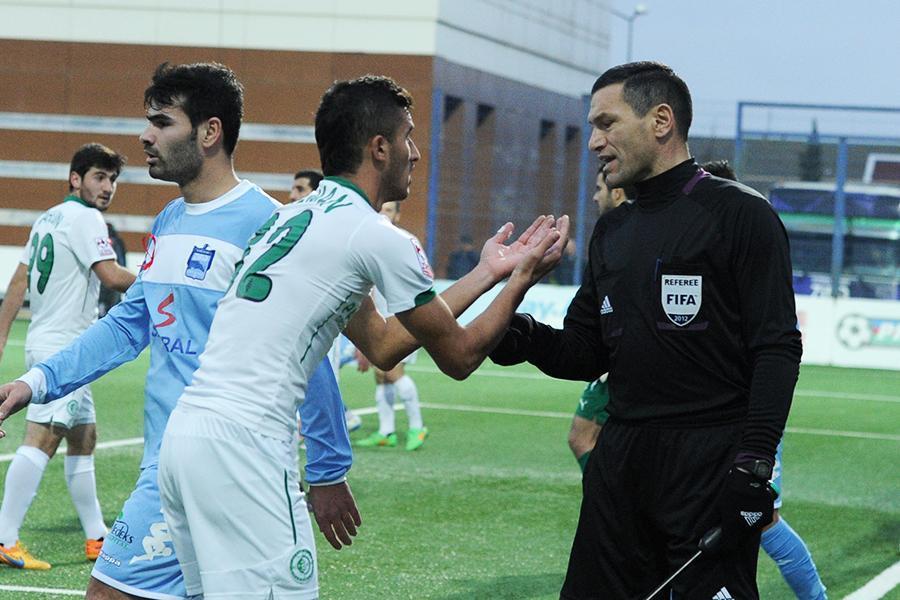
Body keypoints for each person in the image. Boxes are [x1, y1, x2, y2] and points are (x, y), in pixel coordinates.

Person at [147, 74, 567, 599]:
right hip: (246, 449)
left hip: (186, 440)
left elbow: (384, 344)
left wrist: (487, 273)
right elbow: (459, 356)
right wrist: (521, 280)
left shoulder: (295, 215)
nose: (416, 153)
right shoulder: (376, 235)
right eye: (409, 137)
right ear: (379, 148)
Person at [0, 62, 346, 600]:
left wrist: (327, 467)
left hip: (237, 469)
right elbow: (128, 325)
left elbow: (305, 350)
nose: (145, 136)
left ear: (210, 132)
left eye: (162, 123)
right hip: (167, 467)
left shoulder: (268, 226)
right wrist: (35, 382)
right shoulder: (168, 220)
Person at [489, 61, 802, 599]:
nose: (594, 142)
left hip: (709, 463)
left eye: (606, 123)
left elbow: (777, 348)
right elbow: (586, 351)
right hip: (620, 462)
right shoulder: (613, 228)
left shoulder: (741, 215)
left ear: (661, 121)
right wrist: (514, 330)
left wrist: (754, 463)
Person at [0, 143, 135, 570]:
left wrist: (1, 338)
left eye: (113, 179)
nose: (108, 187)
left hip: (49, 340)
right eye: (100, 177)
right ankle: (4, 537)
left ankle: (96, 536)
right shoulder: (86, 218)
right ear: (75, 179)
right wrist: (161, 282)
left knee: (84, 437)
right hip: (65, 349)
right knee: (42, 437)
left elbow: (17, 282)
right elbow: (111, 275)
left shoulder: (49, 218)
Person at [701, 159, 827, 599]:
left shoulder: (750, 257)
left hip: (750, 418)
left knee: (764, 520)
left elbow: (777, 348)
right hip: (709, 421)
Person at [566, 170, 633, 472]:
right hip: (618, 358)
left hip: (618, 363)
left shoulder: (621, 238)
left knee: (581, 437)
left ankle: (610, 495)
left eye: (598, 189)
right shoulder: (623, 233)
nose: (594, 197)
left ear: (616, 193)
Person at [355, 201, 429, 451]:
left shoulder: (404, 242)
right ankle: (386, 431)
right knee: (381, 376)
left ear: (397, 215)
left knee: (393, 373)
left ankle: (417, 426)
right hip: (381, 321)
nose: (382, 214)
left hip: (403, 321)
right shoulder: (371, 243)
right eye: (380, 209)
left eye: (388, 210)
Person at [98, 222, 128, 317]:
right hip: (116, 284)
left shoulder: (104, 242)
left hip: (106, 283)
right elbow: (123, 264)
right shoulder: (118, 241)